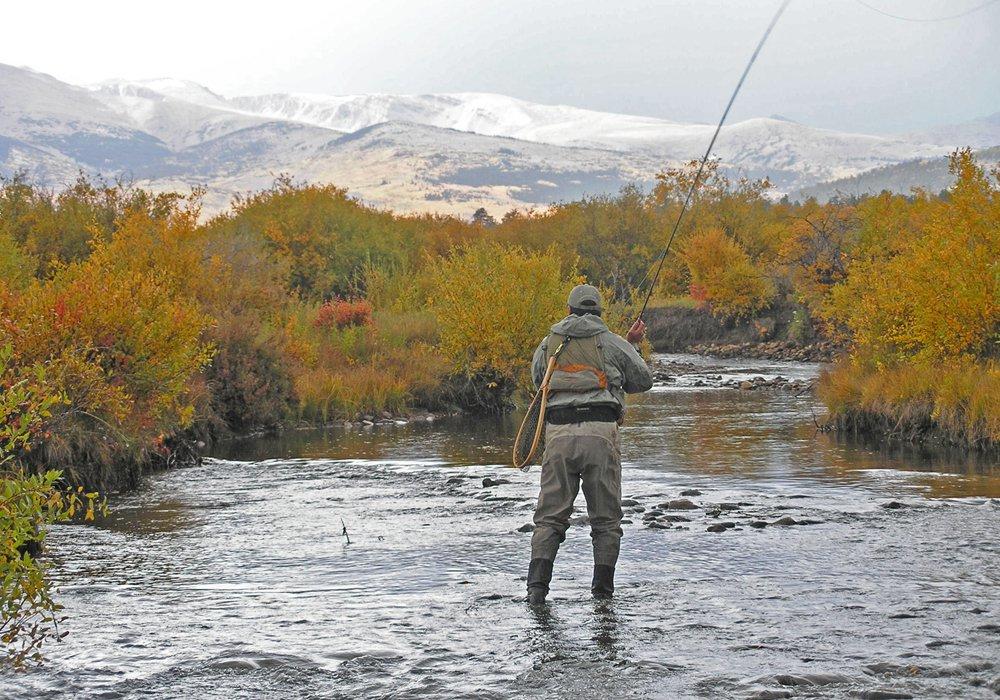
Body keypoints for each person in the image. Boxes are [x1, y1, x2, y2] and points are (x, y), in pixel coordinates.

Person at [526, 283, 653, 604]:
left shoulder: (548, 343)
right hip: (601, 433)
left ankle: (536, 593)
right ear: (598, 313)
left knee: (550, 518)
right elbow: (642, 380)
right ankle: (602, 596)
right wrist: (630, 346)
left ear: (568, 311)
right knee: (606, 520)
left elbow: (536, 380)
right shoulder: (611, 342)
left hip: (557, 436)